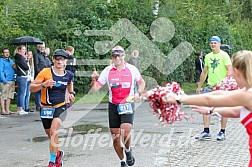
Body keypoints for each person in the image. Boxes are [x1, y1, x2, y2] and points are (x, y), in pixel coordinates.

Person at [163, 50, 252, 167]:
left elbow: (209, 100)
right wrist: (211, 111)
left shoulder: (247, 96)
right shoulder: (247, 93)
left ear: (236, 72)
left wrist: (180, 99)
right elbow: (233, 108)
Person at [91, 46, 145, 167]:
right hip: (113, 105)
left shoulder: (132, 69)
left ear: (124, 56)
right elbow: (95, 89)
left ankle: (128, 150)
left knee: (125, 132)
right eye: (114, 55)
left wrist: (138, 92)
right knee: (116, 137)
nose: (117, 58)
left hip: (127, 103)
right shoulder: (107, 70)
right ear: (112, 57)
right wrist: (94, 79)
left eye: (119, 55)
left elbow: (141, 82)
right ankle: (122, 161)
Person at [30, 49, 75, 167]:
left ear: (66, 61)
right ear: (53, 60)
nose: (59, 61)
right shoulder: (46, 72)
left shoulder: (69, 74)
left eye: (62, 59)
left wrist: (72, 93)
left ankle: (52, 162)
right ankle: (58, 154)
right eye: (57, 58)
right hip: (45, 108)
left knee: (54, 132)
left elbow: (70, 83)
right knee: (50, 135)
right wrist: (43, 84)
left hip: (60, 106)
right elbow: (31, 87)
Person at [195, 36, 232, 141]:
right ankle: (206, 131)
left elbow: (229, 70)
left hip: (222, 87)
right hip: (210, 86)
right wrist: (199, 86)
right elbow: (205, 72)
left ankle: (222, 132)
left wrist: (226, 83)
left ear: (219, 44)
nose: (213, 45)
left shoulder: (224, 56)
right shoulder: (207, 56)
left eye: (215, 43)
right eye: (211, 43)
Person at [34, 43, 52, 112]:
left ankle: (43, 103)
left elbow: (47, 64)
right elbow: (36, 65)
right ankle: (38, 105)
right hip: (39, 75)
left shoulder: (44, 55)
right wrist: (40, 74)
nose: (42, 48)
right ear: (38, 47)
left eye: (43, 47)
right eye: (41, 47)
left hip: (46, 75)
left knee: (44, 90)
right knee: (38, 90)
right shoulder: (37, 55)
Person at [14, 45, 29, 115]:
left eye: (25, 49)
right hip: (22, 76)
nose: (24, 51)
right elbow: (26, 67)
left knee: (20, 93)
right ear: (19, 50)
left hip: (20, 76)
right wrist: (26, 60)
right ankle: (20, 108)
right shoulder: (20, 58)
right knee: (22, 93)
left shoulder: (18, 57)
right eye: (23, 49)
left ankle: (19, 108)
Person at [0, 48, 15, 115]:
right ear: (2, 53)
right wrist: (4, 80)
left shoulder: (11, 61)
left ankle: (7, 110)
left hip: (12, 80)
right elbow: (1, 71)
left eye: (8, 52)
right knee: (3, 96)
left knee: (9, 96)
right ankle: (3, 110)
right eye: (5, 52)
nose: (7, 53)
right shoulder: (1, 61)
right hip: (5, 81)